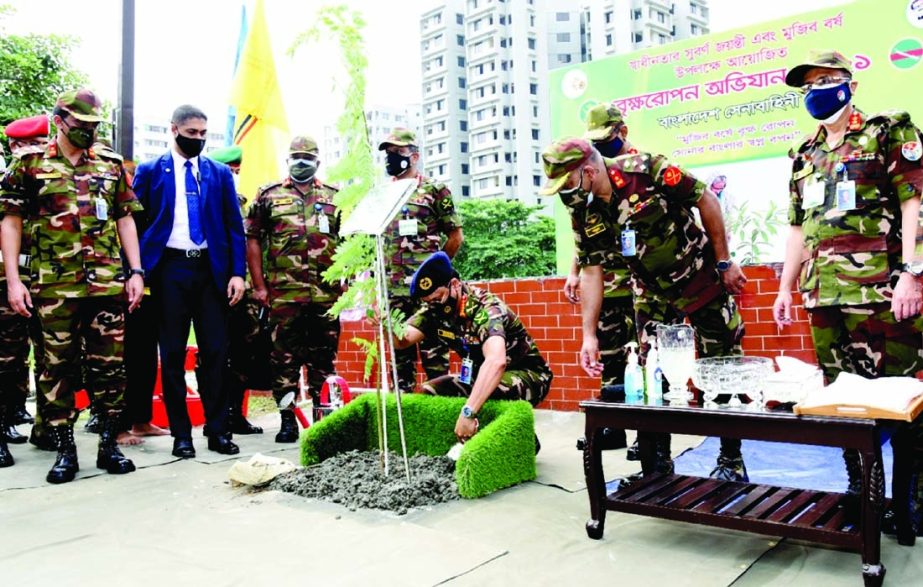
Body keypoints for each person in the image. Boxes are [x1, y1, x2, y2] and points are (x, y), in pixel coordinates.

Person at [540, 136, 749, 482]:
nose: (565, 193)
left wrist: (724, 261)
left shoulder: (646, 169)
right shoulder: (581, 207)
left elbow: (705, 198)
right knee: (652, 378)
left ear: (589, 171)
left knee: (721, 366)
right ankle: (657, 469)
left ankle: (731, 459)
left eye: (567, 183)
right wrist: (588, 335)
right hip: (651, 293)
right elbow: (592, 271)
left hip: (700, 279)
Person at [772, 50, 923, 494]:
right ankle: (863, 487)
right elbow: (799, 229)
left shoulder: (885, 131)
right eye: (809, 85)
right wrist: (784, 289)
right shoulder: (805, 155)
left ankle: (912, 494)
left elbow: (915, 200)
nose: (816, 91)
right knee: (841, 400)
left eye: (825, 81)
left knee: (901, 396)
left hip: (881, 290)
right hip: (823, 296)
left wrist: (913, 273)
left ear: (850, 86)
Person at [0, 89, 143, 482]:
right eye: (81, 125)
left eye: (95, 126)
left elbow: (125, 218)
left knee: (110, 368)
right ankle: (65, 449)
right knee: (56, 369)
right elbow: (10, 222)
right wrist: (15, 281)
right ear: (60, 120)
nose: (89, 133)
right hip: (53, 286)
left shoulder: (111, 165)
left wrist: (136, 272)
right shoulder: (29, 164)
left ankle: (108, 445)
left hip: (106, 284)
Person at [133, 104, 246, 459]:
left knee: (215, 353)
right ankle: (182, 435)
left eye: (203, 134)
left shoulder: (218, 173)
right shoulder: (151, 172)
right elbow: (134, 226)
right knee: (171, 354)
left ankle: (217, 430)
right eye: (191, 133)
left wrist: (237, 272)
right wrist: (135, 271)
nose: (198, 139)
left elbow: (234, 227)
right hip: (170, 272)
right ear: (174, 130)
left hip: (211, 272)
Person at [393, 252, 552, 446]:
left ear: (455, 285)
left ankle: (522, 441)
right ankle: (451, 446)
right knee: (430, 391)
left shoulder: (485, 309)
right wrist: (386, 324)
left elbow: (496, 362)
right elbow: (403, 340)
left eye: (437, 298)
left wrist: (468, 412)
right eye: (427, 302)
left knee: (489, 391)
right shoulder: (434, 310)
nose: (433, 306)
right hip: (480, 375)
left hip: (529, 375)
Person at [246, 136, 341, 443]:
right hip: (283, 294)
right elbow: (253, 240)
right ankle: (288, 420)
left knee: (322, 362)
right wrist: (259, 286)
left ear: (317, 162)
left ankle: (323, 422)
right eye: (296, 157)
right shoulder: (268, 195)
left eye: (307, 157)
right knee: (283, 361)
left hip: (325, 295)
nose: (302, 162)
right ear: (288, 160)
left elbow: (350, 244)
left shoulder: (335, 196)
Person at [378, 128, 463, 393]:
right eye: (388, 154)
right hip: (395, 293)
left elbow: (455, 237)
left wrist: (436, 272)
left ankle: (442, 421)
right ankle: (403, 426)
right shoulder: (382, 195)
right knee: (399, 367)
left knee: (435, 362)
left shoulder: (435, 191)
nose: (391, 159)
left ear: (414, 156)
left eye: (397, 153)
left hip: (429, 294)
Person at [210, 144, 265, 435]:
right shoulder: (208, 203)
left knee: (244, 353)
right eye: (229, 172)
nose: (233, 177)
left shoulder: (245, 205)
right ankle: (214, 415)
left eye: (236, 172)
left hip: (245, 295)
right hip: (215, 290)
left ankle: (235, 412)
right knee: (214, 353)